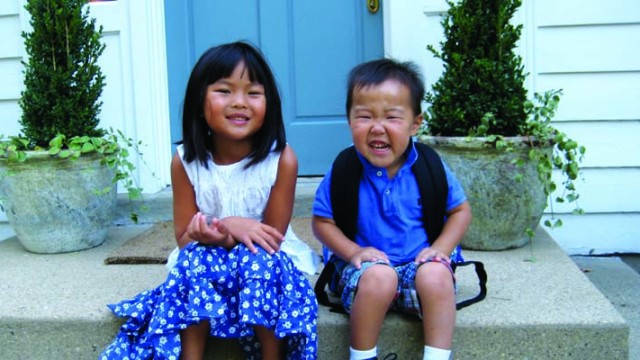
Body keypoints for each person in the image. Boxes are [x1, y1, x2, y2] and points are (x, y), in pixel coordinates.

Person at [101, 41, 318, 360]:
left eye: (253, 93)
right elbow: (185, 238)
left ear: (269, 103)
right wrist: (217, 231)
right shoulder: (185, 161)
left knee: (260, 262)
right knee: (192, 262)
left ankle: (273, 356)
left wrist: (235, 232)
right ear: (199, 104)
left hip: (263, 256)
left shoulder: (281, 160)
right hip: (209, 255)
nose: (240, 102)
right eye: (225, 91)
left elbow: (271, 238)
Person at [312, 59, 472, 360]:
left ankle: (437, 357)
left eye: (392, 117)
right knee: (380, 278)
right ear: (349, 120)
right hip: (366, 273)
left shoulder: (429, 166)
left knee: (436, 275)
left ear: (415, 124)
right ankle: (362, 356)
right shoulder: (346, 169)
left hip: (418, 269)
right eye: (364, 116)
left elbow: (460, 211)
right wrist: (352, 252)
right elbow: (322, 222)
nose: (377, 127)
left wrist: (440, 248)